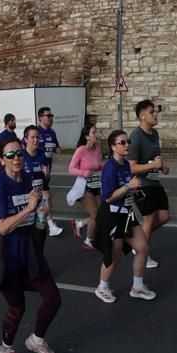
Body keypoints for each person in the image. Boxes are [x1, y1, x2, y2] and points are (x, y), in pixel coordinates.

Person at [0, 138, 63, 353]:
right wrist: (28, 209)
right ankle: (5, 349)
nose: (16, 158)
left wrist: (41, 213)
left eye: (19, 153)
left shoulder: (30, 180)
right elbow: (1, 227)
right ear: (2, 160)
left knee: (53, 299)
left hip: (30, 250)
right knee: (17, 307)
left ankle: (36, 341)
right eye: (10, 155)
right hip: (7, 254)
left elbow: (37, 219)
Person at [94, 129, 154, 302]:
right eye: (122, 142)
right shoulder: (109, 168)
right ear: (113, 147)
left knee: (142, 247)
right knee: (115, 254)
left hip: (127, 214)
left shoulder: (126, 165)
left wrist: (135, 190)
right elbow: (108, 198)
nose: (127, 145)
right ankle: (102, 287)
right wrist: (128, 186)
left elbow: (128, 188)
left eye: (128, 142)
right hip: (112, 215)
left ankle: (137, 286)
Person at [128, 99, 170, 269]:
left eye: (155, 111)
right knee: (149, 218)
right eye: (152, 112)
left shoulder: (154, 134)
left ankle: (137, 240)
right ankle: (143, 253)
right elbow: (131, 167)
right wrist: (152, 165)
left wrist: (162, 166)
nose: (155, 114)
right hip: (141, 184)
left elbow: (155, 158)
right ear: (142, 116)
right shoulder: (136, 137)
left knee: (165, 217)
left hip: (154, 182)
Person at [68, 122, 103, 251]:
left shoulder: (98, 148)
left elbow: (97, 165)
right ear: (87, 136)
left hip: (96, 184)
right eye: (94, 132)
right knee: (94, 214)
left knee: (100, 213)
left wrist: (101, 167)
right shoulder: (81, 150)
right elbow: (71, 169)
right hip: (84, 186)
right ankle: (89, 241)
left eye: (96, 132)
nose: (96, 134)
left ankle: (79, 223)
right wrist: (83, 172)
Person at [36, 106, 65, 236]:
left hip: (48, 170)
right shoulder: (36, 132)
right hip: (36, 169)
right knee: (44, 196)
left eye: (52, 115)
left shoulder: (52, 132)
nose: (51, 118)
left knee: (43, 197)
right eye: (48, 116)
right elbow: (25, 148)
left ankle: (41, 223)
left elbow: (55, 147)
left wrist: (58, 150)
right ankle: (50, 224)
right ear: (41, 118)